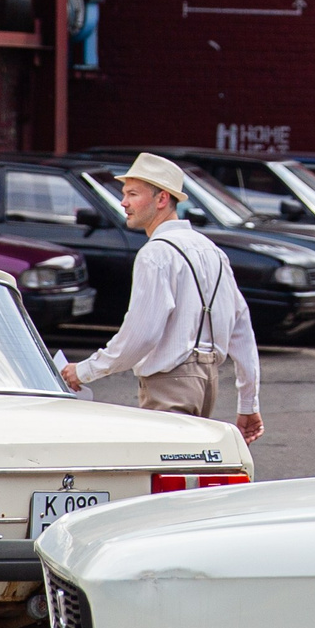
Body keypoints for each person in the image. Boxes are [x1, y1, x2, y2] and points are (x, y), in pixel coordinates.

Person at [61, 153, 263, 443]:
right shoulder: (212, 251)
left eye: (133, 194)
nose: (123, 202)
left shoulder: (155, 254)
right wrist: (247, 403)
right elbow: (241, 327)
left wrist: (84, 370)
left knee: (167, 480)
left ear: (161, 199)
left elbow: (142, 334)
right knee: (188, 479)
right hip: (208, 382)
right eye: (124, 194)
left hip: (170, 383)